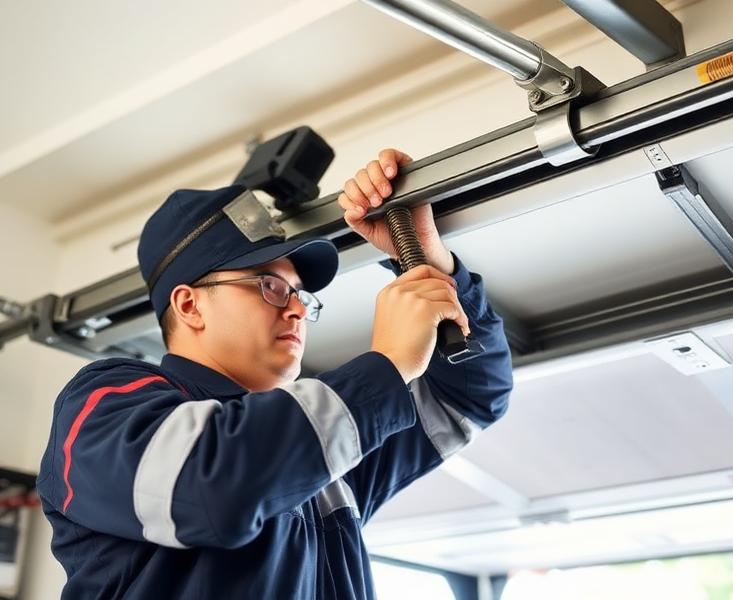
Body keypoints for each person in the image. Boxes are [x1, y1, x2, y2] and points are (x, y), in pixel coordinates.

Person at [36, 149, 513, 599]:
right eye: (270, 285)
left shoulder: (326, 462)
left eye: (300, 295)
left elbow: (471, 397)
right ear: (189, 305)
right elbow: (210, 488)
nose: (297, 310)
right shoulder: (103, 401)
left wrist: (427, 260)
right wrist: (387, 363)